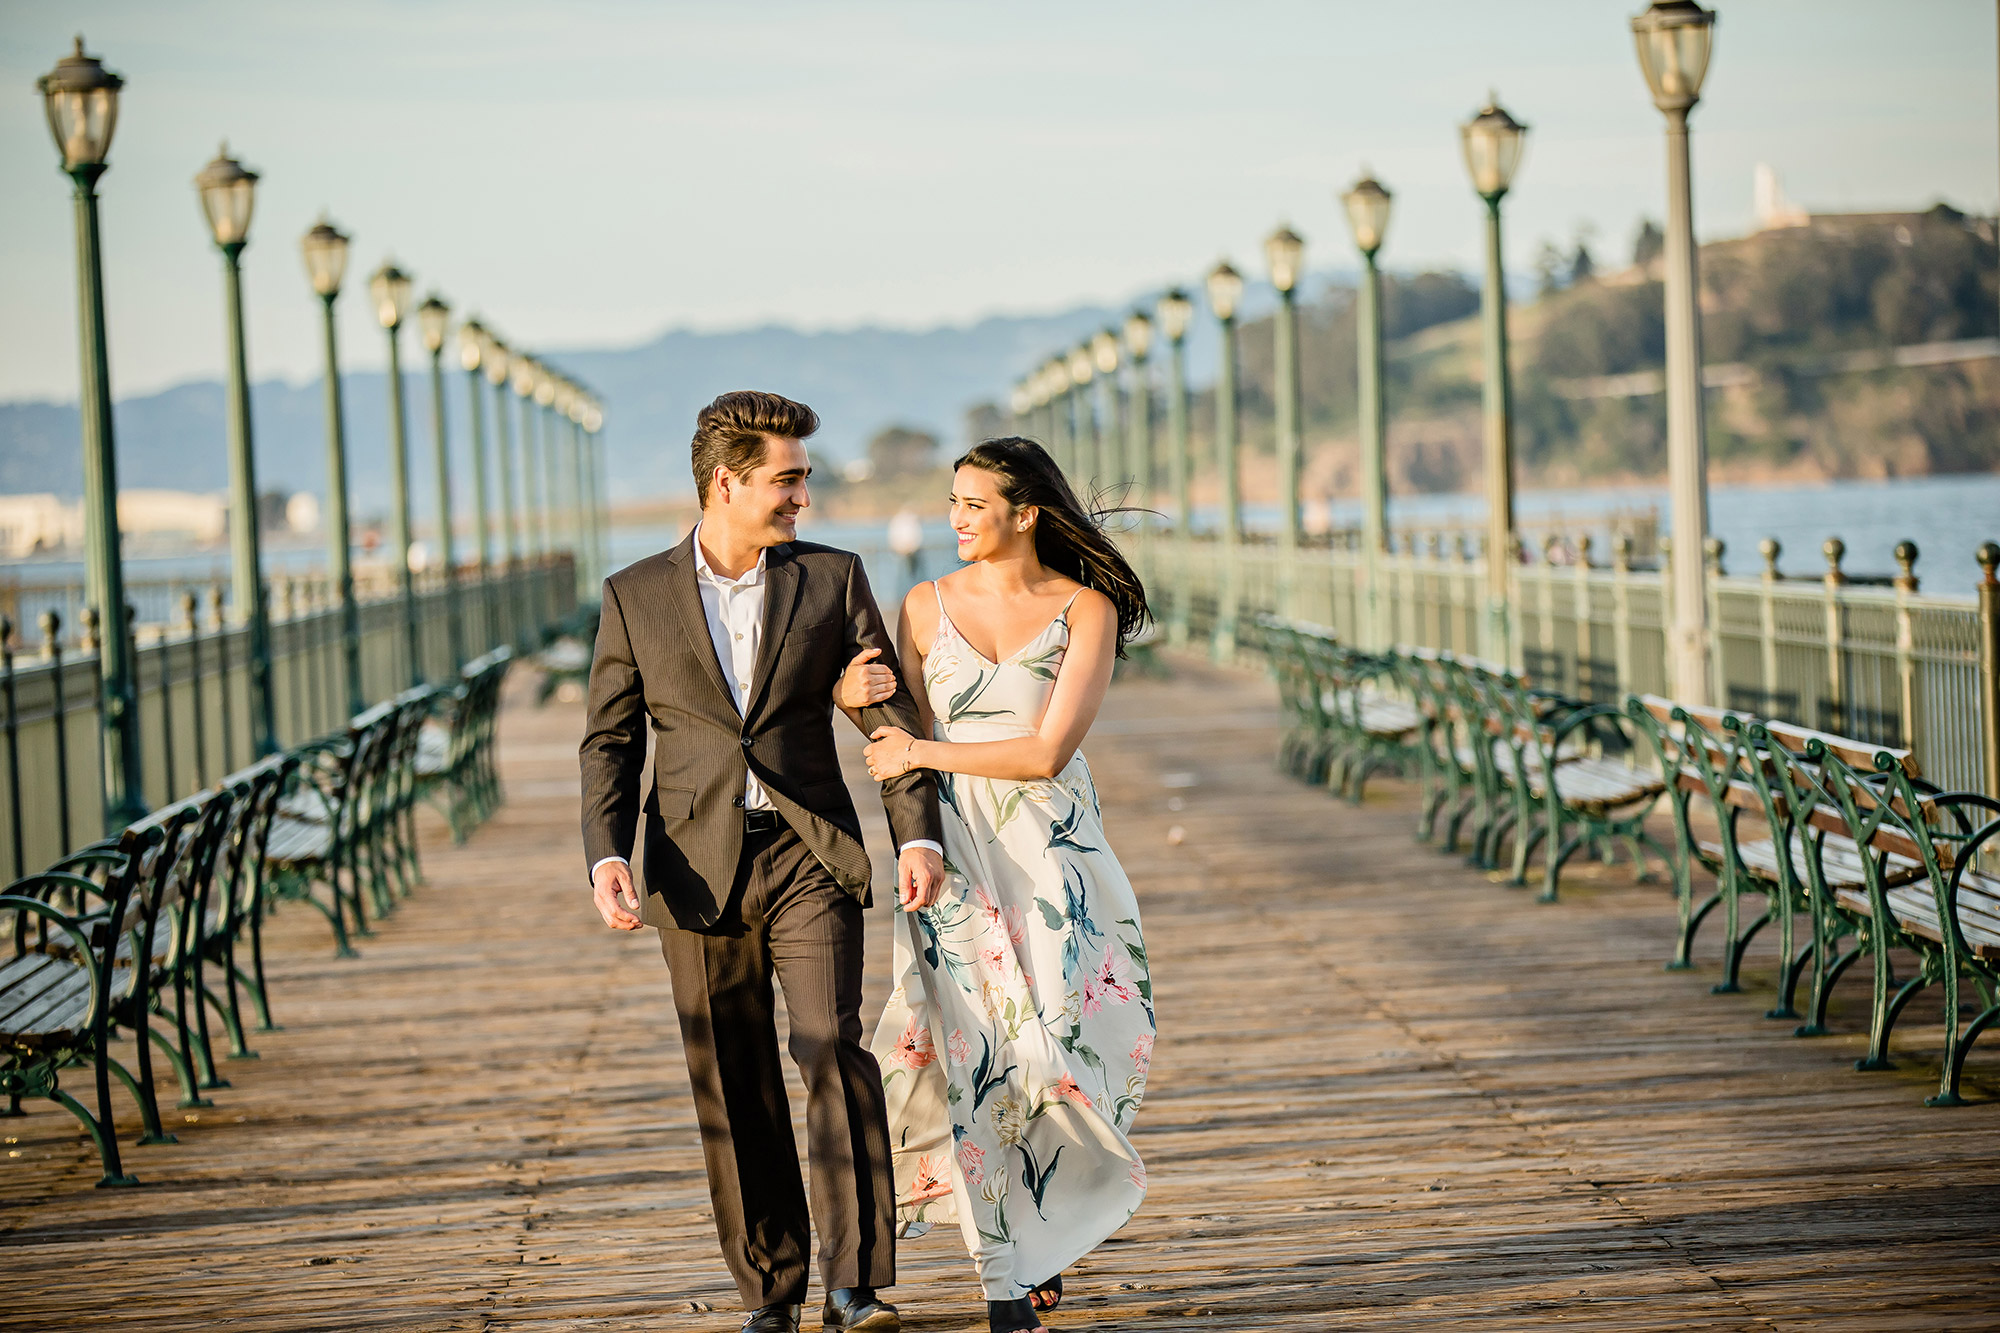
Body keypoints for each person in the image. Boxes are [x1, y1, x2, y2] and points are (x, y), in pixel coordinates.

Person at [580, 390, 947, 1333]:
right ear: (727, 483)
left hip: (808, 851)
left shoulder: (832, 579)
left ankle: (855, 1284)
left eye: (805, 480)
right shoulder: (635, 595)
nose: (803, 500)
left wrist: (915, 832)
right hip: (693, 872)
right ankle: (772, 1291)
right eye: (787, 481)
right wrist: (605, 854)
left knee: (833, 1048)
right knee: (732, 1077)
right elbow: (610, 742)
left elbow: (886, 710)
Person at [835, 437, 1155, 1333]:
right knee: (978, 1055)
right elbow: (890, 729)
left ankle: (1051, 1223)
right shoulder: (925, 605)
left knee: (1060, 1048)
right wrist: (849, 695)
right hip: (957, 856)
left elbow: (1047, 751)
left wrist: (921, 748)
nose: (956, 519)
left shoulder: (1084, 609)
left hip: (1057, 859)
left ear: (1026, 512)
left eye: (974, 504)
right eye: (951, 502)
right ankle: (1004, 1277)